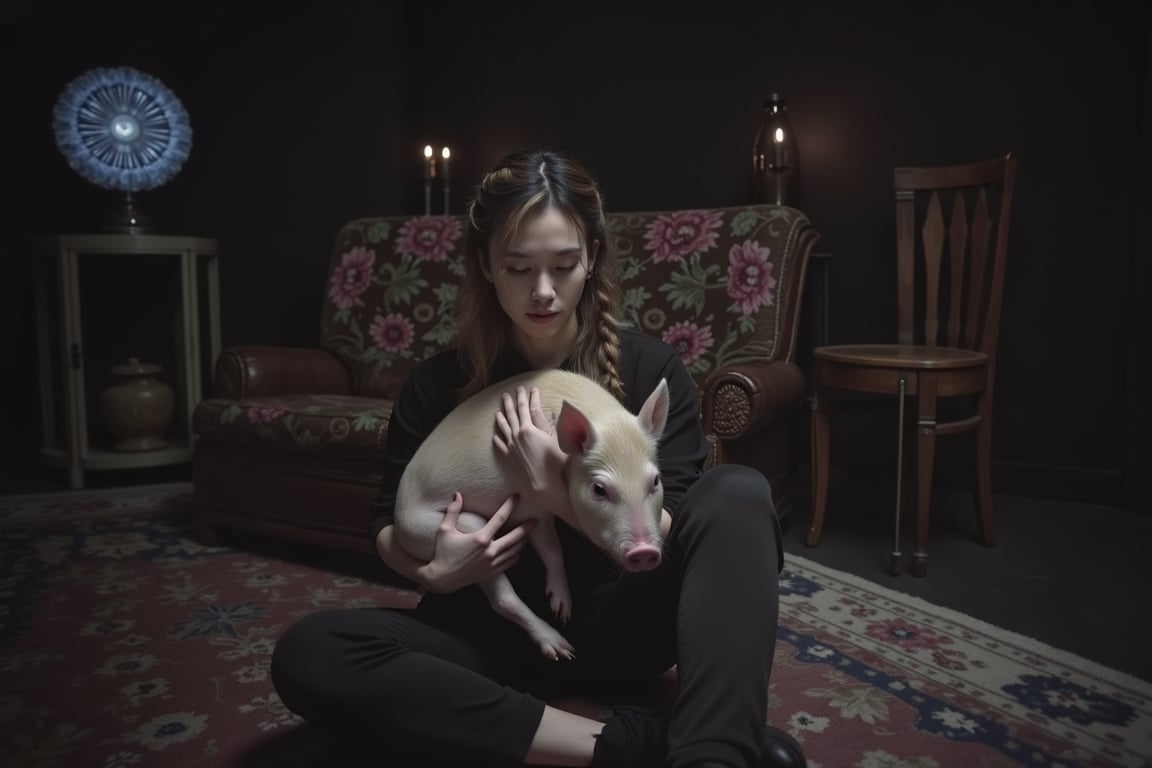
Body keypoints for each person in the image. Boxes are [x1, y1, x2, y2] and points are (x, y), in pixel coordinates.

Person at [270, 150, 806, 768]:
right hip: (483, 637)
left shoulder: (648, 371)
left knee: (737, 492)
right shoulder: (434, 384)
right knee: (312, 652)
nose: (543, 291)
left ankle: (712, 757)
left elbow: (671, 526)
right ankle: (633, 745)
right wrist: (434, 573)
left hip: (624, 626)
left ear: (593, 258)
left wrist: (552, 489)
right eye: (519, 267)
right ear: (486, 266)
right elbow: (386, 528)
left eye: (564, 265)